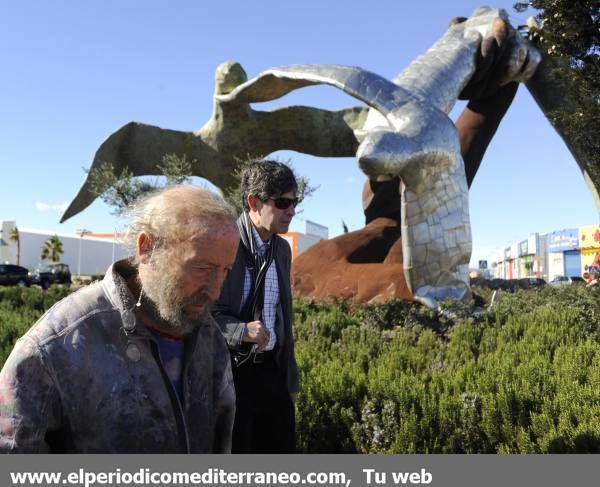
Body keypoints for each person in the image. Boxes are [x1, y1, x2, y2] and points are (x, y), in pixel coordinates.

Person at [0, 186, 239, 453]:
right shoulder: (55, 347)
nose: (216, 290)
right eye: (202, 268)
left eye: (225, 270)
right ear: (146, 247)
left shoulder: (207, 335)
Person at [212, 160, 299, 453]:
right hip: (232, 376)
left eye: (294, 202)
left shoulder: (283, 250)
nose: (292, 210)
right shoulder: (224, 243)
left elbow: (283, 317)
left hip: (272, 373)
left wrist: (290, 379)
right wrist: (240, 331)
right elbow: (203, 315)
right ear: (253, 201)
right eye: (283, 202)